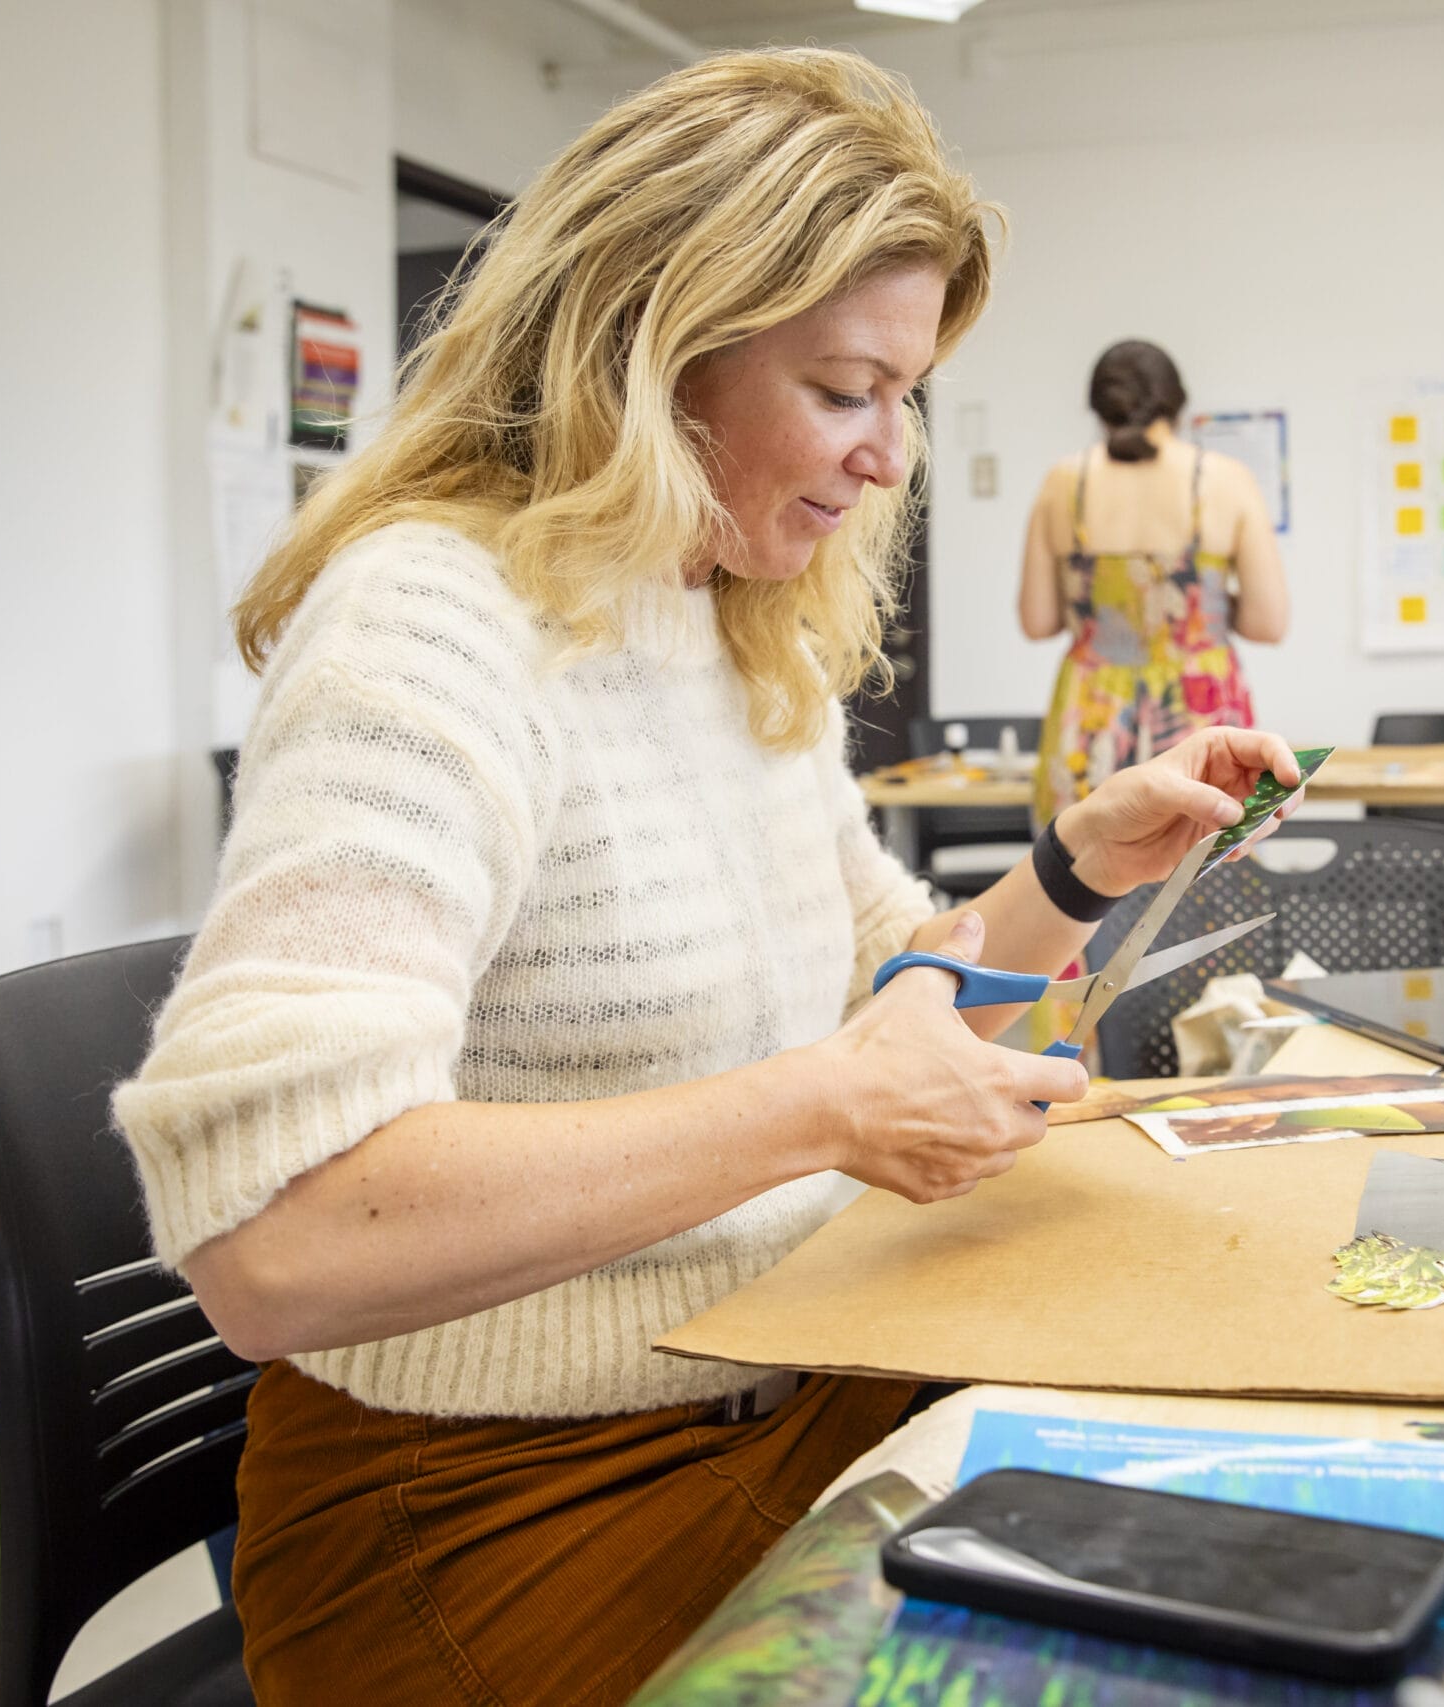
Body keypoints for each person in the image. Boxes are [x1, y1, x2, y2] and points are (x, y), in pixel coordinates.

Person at [113, 52, 1304, 1704]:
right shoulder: (431, 625)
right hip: (490, 1509)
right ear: (649, 348)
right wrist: (819, 1108)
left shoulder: (730, 620)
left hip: (785, 1373)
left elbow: (898, 989)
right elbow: (278, 1236)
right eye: (846, 390)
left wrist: (1080, 862)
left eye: (905, 397)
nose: (888, 458)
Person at [1020, 340, 1290, 825]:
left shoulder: (1062, 483)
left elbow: (1037, 621)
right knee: (1202, 855)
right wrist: (1198, 604)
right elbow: (1268, 624)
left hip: (1093, 720)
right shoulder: (1226, 480)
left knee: (1086, 861)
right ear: (1176, 403)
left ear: (1100, 408)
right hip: (1198, 715)